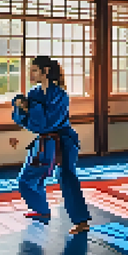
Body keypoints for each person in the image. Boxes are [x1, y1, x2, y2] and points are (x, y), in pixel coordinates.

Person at [11, 56, 91, 234]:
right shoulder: (34, 93)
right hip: (43, 141)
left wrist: (29, 108)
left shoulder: (60, 95)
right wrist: (19, 107)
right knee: (26, 179)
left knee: (66, 176)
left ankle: (81, 221)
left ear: (45, 71)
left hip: (63, 140)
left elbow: (47, 123)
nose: (30, 74)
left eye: (34, 70)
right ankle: (42, 210)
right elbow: (27, 123)